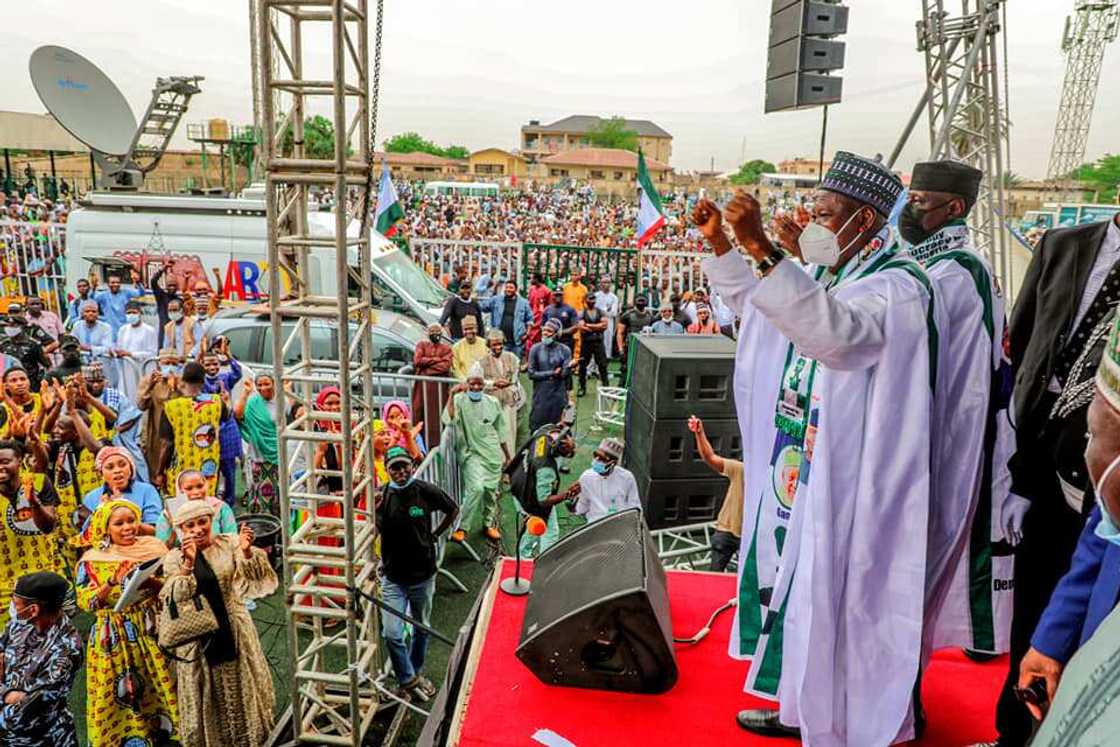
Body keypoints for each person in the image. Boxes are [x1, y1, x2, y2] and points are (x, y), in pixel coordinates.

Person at [696, 152, 939, 744]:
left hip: (856, 480)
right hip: (804, 464)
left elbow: (838, 337)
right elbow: (760, 311)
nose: (813, 223)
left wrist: (759, 248)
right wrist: (725, 248)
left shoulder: (896, 287)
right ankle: (803, 711)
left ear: (867, 222)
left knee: (842, 602)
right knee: (803, 594)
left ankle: (850, 724)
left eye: (826, 214)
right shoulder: (842, 275)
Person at [986, 204, 1120, 747]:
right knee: (1039, 603)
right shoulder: (1062, 245)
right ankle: (1014, 733)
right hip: (1047, 459)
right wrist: (1021, 470)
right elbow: (1021, 345)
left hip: (1108, 477)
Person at [890, 162, 1021, 680]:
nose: (911, 209)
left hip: (956, 433)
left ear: (955, 208)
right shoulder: (937, 262)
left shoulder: (954, 271)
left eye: (921, 200)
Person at [161, 500, 278, 746]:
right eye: (189, 525)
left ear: (211, 521)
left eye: (202, 522)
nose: (197, 529)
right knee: (205, 689)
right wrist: (188, 563)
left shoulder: (230, 542)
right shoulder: (174, 558)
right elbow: (174, 597)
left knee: (242, 682)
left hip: (234, 626)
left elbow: (255, 583)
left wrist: (246, 551)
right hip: (198, 633)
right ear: (181, 529)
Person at [75, 500, 178, 746]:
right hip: (112, 637)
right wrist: (111, 581)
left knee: (161, 684)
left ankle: (168, 733)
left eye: (131, 521)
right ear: (106, 528)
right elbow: (86, 603)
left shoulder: (153, 548)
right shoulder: (92, 560)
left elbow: (173, 589)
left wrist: (152, 582)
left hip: (151, 627)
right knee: (120, 692)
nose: (127, 527)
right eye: (119, 523)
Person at [375, 446, 458, 701]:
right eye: (394, 468)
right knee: (391, 632)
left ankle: (415, 671)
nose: (401, 472)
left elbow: (452, 509)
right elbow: (372, 530)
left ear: (412, 465)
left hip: (423, 576)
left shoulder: (425, 490)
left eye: (404, 466)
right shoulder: (381, 498)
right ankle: (408, 678)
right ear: (387, 470)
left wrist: (435, 534)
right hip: (393, 578)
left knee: (421, 628)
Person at [0, 571, 83, 747]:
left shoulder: (67, 649)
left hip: (46, 739)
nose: (12, 608)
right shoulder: (18, 624)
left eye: (15, 604)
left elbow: (19, 716)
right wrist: (9, 695)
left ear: (33, 610)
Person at [444, 365, 511, 543]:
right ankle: (462, 527)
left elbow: (501, 432)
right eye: (472, 384)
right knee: (476, 488)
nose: (475, 388)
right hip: (471, 453)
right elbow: (449, 419)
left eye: (479, 384)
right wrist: (451, 395)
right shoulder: (459, 400)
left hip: (492, 454)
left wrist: (508, 456)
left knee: (490, 491)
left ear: (484, 385)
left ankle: (488, 524)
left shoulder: (492, 403)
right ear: (467, 384)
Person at [0, 437, 61, 628]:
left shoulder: (39, 483)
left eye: (5, 462)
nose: (0, 468)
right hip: (4, 587)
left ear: (19, 461)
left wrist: (34, 503)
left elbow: (48, 526)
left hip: (42, 581)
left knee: (48, 644)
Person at [507, 425, 578, 557]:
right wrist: (567, 494)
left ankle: (523, 556)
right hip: (529, 500)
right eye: (568, 452)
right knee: (549, 532)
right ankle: (541, 561)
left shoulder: (544, 432)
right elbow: (544, 501)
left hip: (518, 482)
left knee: (533, 528)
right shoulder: (546, 469)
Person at [157, 361, 225, 495]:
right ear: (203, 381)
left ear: (182, 380)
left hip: (181, 469)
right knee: (206, 505)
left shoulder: (172, 407)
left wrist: (159, 472)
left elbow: (166, 444)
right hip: (208, 469)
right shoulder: (217, 402)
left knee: (182, 508)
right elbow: (225, 419)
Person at [688, 415, 744, 572]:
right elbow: (710, 457)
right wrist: (699, 434)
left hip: (747, 535)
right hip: (728, 531)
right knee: (714, 575)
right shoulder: (741, 470)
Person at [81, 446, 162, 537]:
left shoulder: (147, 491)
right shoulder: (91, 498)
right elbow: (85, 536)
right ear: (100, 473)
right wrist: (102, 511)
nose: (117, 470)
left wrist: (121, 507)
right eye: (110, 467)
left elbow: (155, 530)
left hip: (141, 547)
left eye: (122, 465)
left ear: (131, 468)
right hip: (106, 550)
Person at [200, 342, 244, 506]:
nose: (212, 367)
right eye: (208, 364)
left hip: (228, 428)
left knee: (229, 469)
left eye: (215, 363)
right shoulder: (201, 382)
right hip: (209, 428)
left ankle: (229, 502)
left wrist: (228, 355)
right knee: (210, 468)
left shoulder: (225, 378)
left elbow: (238, 372)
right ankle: (210, 500)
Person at [234, 374, 281, 516]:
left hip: (279, 456)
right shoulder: (253, 402)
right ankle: (259, 527)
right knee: (258, 495)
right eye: (259, 385)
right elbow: (238, 414)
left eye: (266, 384)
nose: (263, 388)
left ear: (274, 383)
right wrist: (246, 393)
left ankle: (277, 528)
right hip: (258, 457)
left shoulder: (282, 401)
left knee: (278, 495)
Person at [155, 469, 238, 545]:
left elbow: (233, 539)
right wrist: (174, 526)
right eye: (189, 488)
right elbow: (161, 548)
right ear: (180, 490)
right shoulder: (169, 514)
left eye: (200, 486)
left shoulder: (220, 508)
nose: (196, 492)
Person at [138, 348, 182, 477]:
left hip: (178, 430)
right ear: (159, 364)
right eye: (167, 363)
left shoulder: (181, 381)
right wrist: (150, 386)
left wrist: (176, 387)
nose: (170, 367)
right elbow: (141, 405)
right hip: (156, 431)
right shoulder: (148, 380)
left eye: (174, 364)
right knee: (155, 463)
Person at [574, 437, 639, 524]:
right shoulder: (586, 477)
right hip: (594, 524)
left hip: (620, 524)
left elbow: (634, 505)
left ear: (613, 463)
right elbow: (582, 506)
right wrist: (574, 506)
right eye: (595, 455)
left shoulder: (626, 477)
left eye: (602, 458)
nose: (596, 460)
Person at [478, 329, 523, 454]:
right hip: (491, 403)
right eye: (494, 345)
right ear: (489, 345)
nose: (498, 347)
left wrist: (509, 382)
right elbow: (479, 381)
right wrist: (493, 383)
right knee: (494, 434)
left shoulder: (512, 357)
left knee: (510, 432)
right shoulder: (482, 362)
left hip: (508, 402)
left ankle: (510, 462)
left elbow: (515, 375)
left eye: (500, 344)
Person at [411, 323, 453, 449]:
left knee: (437, 420)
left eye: (437, 331)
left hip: (439, 392)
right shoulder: (421, 345)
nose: (435, 334)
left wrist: (426, 367)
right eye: (432, 331)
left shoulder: (447, 349)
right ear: (428, 333)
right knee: (420, 416)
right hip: (422, 390)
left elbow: (445, 366)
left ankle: (438, 448)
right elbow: (417, 361)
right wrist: (437, 360)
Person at [527, 319, 573, 432]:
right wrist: (552, 373)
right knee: (537, 428)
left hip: (559, 396)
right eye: (544, 330)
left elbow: (564, 375)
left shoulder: (565, 350)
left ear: (557, 334)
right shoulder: (535, 349)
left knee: (559, 429)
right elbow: (531, 373)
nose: (545, 333)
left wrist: (569, 368)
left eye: (549, 331)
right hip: (541, 396)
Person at [478, 280, 534, 357]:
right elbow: (482, 306)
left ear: (516, 289)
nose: (508, 289)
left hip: (517, 342)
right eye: (507, 287)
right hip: (500, 341)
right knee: (500, 364)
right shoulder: (496, 300)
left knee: (515, 364)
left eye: (511, 288)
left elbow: (530, 319)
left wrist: (527, 334)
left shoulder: (523, 303)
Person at [0, 311, 50, 391]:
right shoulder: (3, 344)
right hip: (9, 385)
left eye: (13, 325)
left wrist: (42, 379)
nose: (9, 328)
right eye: (8, 325)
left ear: (22, 327)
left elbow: (47, 365)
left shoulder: (33, 345)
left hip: (30, 384)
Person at [91, 271, 145, 335]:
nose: (115, 284)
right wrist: (93, 286)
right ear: (108, 284)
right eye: (113, 282)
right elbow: (92, 297)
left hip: (125, 330)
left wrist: (138, 282)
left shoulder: (126, 292)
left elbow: (141, 293)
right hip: (110, 331)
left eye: (118, 282)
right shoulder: (103, 295)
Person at [576, 293, 610, 396]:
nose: (592, 301)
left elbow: (604, 326)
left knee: (602, 365)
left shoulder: (600, 311)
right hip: (586, 343)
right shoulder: (582, 312)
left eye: (593, 299)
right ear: (585, 300)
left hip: (598, 342)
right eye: (589, 299)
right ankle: (582, 387)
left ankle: (606, 387)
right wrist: (596, 326)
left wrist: (589, 325)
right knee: (582, 366)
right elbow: (581, 327)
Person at [616, 296, 654, 384]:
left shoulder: (650, 316)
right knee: (625, 369)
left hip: (645, 347)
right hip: (629, 346)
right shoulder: (627, 315)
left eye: (642, 299)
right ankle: (622, 388)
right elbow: (620, 333)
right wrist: (621, 350)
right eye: (639, 299)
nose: (641, 302)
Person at [71, 300, 113, 374]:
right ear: (82, 313)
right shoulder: (77, 326)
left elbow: (107, 348)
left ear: (98, 313)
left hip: (101, 365)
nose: (90, 313)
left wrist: (89, 348)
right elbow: (72, 343)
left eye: (93, 311)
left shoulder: (106, 327)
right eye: (87, 311)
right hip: (82, 365)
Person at [113, 299, 158, 366]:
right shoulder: (123, 330)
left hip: (144, 368)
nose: (131, 315)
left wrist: (131, 354)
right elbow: (119, 349)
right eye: (128, 313)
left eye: (134, 312)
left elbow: (152, 353)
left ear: (140, 313)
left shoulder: (149, 330)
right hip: (126, 368)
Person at [0, 368, 41, 439]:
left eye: (23, 379)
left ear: (29, 381)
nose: (19, 383)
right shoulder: (2, 409)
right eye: (13, 381)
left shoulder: (42, 400)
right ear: (5, 386)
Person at [148, 261, 182, 347]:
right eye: (170, 285)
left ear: (177, 286)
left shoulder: (180, 300)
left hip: (177, 334)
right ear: (166, 286)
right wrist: (164, 268)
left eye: (174, 285)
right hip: (164, 333)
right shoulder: (161, 297)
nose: (172, 288)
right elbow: (153, 282)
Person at [541, 289, 579, 354]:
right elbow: (542, 326)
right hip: (551, 342)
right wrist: (549, 333)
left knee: (566, 363)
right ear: (552, 296)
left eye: (560, 295)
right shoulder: (547, 310)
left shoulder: (570, 309)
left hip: (566, 342)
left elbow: (575, 327)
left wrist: (560, 332)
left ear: (563, 295)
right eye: (556, 295)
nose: (558, 297)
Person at [450, 316, 487, 380]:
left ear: (476, 328)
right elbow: (456, 369)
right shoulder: (456, 347)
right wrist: (466, 381)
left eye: (471, 328)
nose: (468, 331)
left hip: (483, 383)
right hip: (464, 384)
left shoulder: (485, 344)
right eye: (466, 329)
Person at [596, 278, 620, 359]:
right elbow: (594, 310)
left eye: (608, 282)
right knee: (596, 342)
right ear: (600, 284)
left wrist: (602, 311)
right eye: (604, 282)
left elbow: (613, 313)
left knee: (607, 342)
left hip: (608, 322)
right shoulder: (596, 295)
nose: (606, 284)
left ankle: (605, 362)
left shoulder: (614, 297)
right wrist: (606, 310)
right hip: (596, 321)